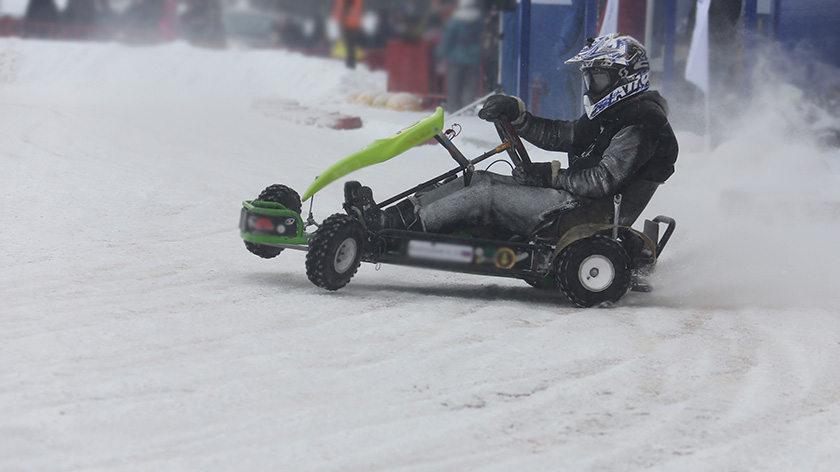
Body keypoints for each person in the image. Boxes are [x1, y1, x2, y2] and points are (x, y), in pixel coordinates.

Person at [345, 33, 678, 241]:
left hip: (584, 214)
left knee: (486, 195)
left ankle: (387, 229)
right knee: (476, 179)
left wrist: (550, 175)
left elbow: (603, 181)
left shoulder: (643, 124)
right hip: (574, 200)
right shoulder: (615, 113)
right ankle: (392, 217)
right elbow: (567, 135)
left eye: (599, 78)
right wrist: (520, 116)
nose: (592, 87)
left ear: (624, 78)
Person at [435, 0, 484, 112]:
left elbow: (448, 40)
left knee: (454, 85)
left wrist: (439, 54)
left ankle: (453, 108)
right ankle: (468, 107)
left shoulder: (455, 22)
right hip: (473, 57)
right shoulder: (478, 21)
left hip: (456, 58)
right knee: (470, 86)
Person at [332, 0, 363, 69]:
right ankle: (351, 62)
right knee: (350, 44)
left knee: (349, 44)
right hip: (352, 22)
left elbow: (345, 7)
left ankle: (350, 63)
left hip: (347, 22)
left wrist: (341, 19)